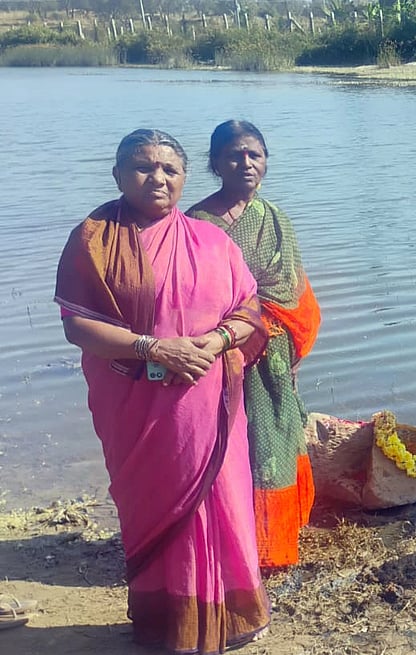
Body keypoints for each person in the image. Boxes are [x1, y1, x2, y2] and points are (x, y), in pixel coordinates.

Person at [55, 129, 270, 652]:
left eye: (170, 169)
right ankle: (167, 621)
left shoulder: (211, 240)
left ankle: (234, 616)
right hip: (137, 403)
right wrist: (155, 348)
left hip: (209, 399)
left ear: (185, 177)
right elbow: (78, 326)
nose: (158, 178)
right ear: (118, 175)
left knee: (224, 500)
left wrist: (215, 340)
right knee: (151, 503)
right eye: (144, 167)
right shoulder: (95, 239)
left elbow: (250, 313)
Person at [188, 120, 321, 570]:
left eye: (254, 155)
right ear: (214, 163)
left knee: (270, 443)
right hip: (217, 352)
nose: (246, 163)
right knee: (221, 443)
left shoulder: (275, 218)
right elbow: (190, 295)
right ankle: (224, 535)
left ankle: (272, 542)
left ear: (265, 161)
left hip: (273, 353)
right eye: (234, 155)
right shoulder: (194, 224)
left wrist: (283, 340)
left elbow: (292, 290)